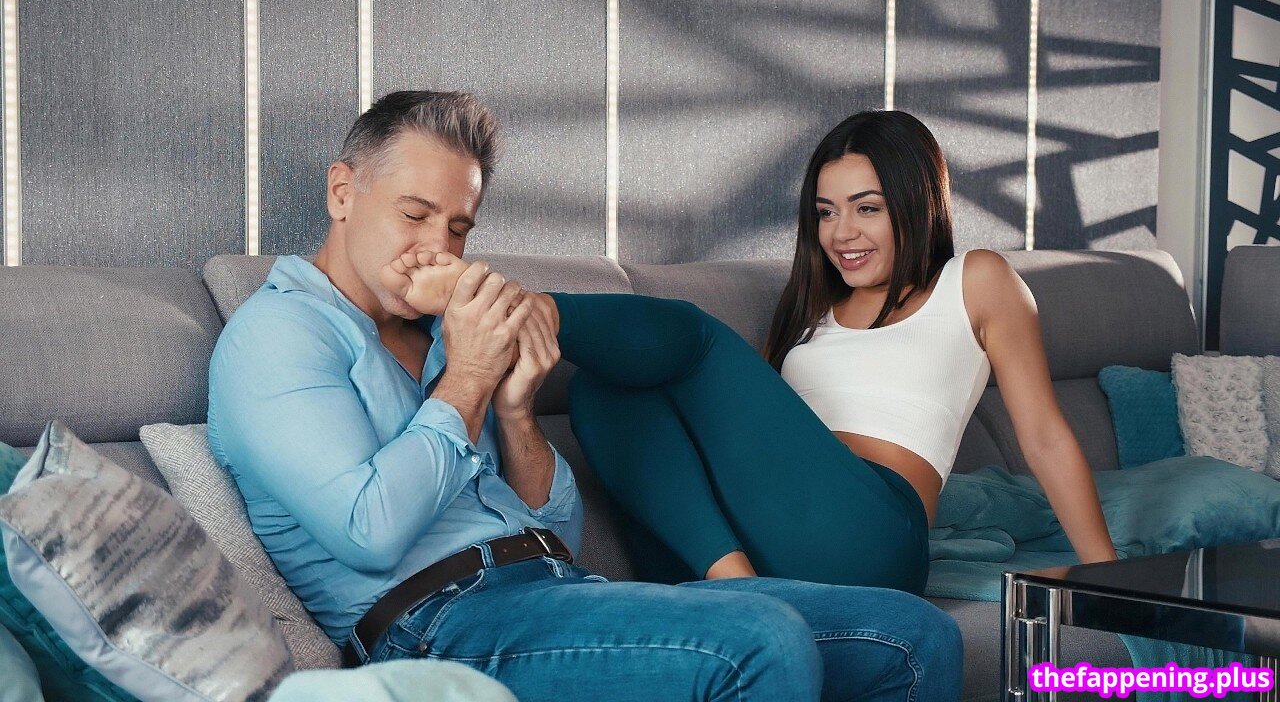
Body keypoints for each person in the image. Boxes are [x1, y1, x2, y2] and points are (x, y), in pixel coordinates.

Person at [208, 91, 963, 701]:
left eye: (459, 226)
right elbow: (367, 529)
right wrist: (468, 378)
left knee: (915, 635)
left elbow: (555, 532)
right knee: (762, 639)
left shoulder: (443, 330)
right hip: (436, 627)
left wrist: (514, 410)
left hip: (553, 587)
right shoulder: (279, 335)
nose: (437, 247)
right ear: (343, 192)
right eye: (414, 214)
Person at [388, 110, 1118, 597]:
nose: (842, 234)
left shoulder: (977, 280)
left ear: (916, 201)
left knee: (696, 338)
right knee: (601, 388)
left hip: (871, 538)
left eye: (867, 208)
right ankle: (736, 588)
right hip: (765, 544)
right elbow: (752, 446)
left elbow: (1045, 435)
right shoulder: (809, 308)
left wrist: (1105, 571)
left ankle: (514, 304)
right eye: (826, 213)